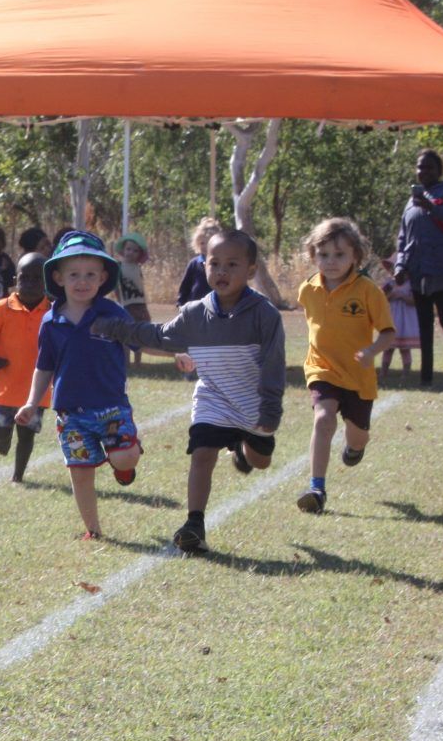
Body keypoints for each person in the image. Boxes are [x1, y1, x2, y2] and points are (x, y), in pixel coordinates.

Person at [93, 229, 285, 553]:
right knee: (202, 455)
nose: (222, 271)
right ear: (204, 265)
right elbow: (157, 335)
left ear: (251, 271)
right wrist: (111, 328)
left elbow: (274, 363)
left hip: (252, 402)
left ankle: (241, 445)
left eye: (232, 264)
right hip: (212, 399)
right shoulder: (195, 313)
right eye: (214, 263)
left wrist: (270, 409)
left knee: (260, 461)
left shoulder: (264, 314)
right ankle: (194, 523)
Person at [15, 230, 139, 540]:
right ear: (58, 277)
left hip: (111, 407)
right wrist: (32, 402)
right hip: (70, 413)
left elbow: (141, 337)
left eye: (89, 275)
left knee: (124, 457)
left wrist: (174, 350)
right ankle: (93, 531)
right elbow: (44, 366)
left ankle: (122, 463)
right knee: (80, 474)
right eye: (73, 274)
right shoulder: (51, 321)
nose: (81, 281)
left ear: (102, 277)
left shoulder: (111, 313)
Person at [295, 217, 396, 514]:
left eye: (340, 254)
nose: (331, 261)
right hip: (322, 369)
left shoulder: (368, 291)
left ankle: (355, 447)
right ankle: (317, 488)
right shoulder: (307, 290)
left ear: (355, 255)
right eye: (323, 255)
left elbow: (388, 333)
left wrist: (371, 350)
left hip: (358, 377)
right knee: (323, 419)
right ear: (313, 255)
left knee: (357, 435)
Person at [394, 148, 443, 387]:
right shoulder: (410, 203)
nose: (423, 171)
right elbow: (404, 238)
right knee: (424, 325)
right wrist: (400, 266)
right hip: (417, 272)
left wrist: (431, 207)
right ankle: (426, 378)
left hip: (442, 270)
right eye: (419, 167)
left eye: (428, 167)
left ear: (439, 170)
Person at [0, 251, 51, 483]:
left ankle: (18, 476)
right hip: (5, 388)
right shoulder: (2, 308)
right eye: (24, 278)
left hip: (36, 391)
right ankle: (3, 437)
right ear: (15, 281)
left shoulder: (52, 311)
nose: (29, 284)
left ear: (47, 282)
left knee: (27, 435)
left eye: (36, 279)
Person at [114, 231, 151, 365]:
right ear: (123, 250)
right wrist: (119, 301)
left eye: (135, 251)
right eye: (128, 249)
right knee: (126, 334)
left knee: (139, 334)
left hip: (140, 305)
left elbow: (141, 288)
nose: (131, 253)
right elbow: (116, 286)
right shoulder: (119, 267)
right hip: (126, 305)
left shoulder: (137, 268)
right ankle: (126, 361)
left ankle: (138, 362)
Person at [378, 256, 418, 382]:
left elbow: (415, 301)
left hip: (405, 320)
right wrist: (391, 295)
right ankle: (383, 372)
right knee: (388, 348)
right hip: (392, 318)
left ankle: (406, 373)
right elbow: (380, 299)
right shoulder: (389, 284)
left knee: (404, 349)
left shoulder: (411, 285)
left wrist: (403, 297)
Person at [175, 216, 220, 306]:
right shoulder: (194, 264)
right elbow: (185, 286)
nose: (204, 246)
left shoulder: (221, 264)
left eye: (208, 243)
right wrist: (181, 303)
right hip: (194, 306)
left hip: (215, 306)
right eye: (202, 243)